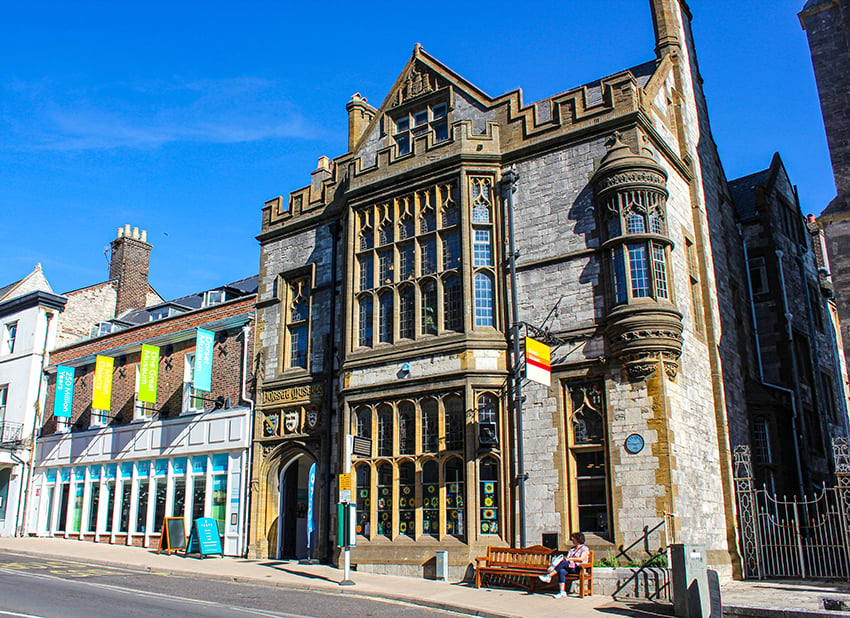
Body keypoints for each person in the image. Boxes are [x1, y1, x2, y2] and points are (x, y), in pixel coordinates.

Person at [538, 531, 589, 599]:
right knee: (561, 571)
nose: (572, 540)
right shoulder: (572, 549)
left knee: (564, 563)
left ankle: (549, 576)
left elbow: (581, 559)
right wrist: (569, 560)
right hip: (570, 567)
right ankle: (562, 592)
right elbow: (568, 558)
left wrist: (570, 559)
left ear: (578, 539)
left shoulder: (584, 548)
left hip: (578, 568)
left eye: (574, 539)